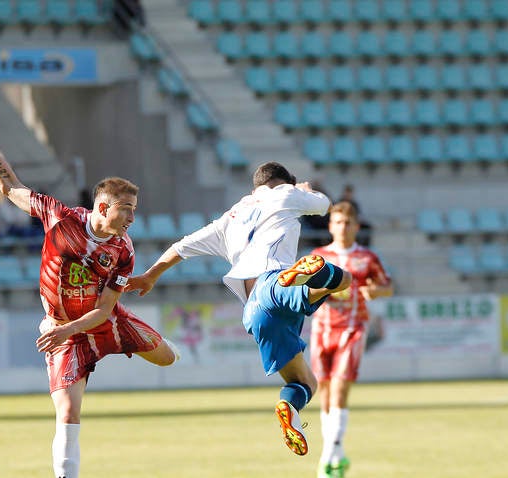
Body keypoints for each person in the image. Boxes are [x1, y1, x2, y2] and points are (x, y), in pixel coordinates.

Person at [0, 103, 179, 478]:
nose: (131, 217)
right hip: (65, 329)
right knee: (67, 412)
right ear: (102, 207)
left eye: (134, 210)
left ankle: (108, 350)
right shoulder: (59, 217)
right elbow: (10, 188)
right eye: (125, 209)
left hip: (101, 322)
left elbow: (107, 309)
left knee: (169, 358)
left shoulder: (122, 250)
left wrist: (73, 331)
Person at [128, 162, 351, 458]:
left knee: (303, 382)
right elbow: (324, 206)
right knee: (345, 279)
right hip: (273, 282)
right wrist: (305, 190)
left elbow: (181, 247)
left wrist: (150, 275)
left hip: (255, 311)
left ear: (254, 187)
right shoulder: (285, 193)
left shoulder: (229, 219)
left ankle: (289, 408)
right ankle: (305, 274)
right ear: (282, 182)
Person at [309, 201, 393, 478]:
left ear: (356, 226)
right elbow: (304, 289)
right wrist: (324, 289)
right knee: (325, 393)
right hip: (322, 328)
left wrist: (376, 291)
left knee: (341, 388)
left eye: (348, 222)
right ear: (330, 225)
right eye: (337, 222)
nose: (342, 227)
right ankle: (338, 457)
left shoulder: (366, 258)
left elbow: (388, 286)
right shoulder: (318, 257)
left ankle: (327, 457)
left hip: (353, 328)